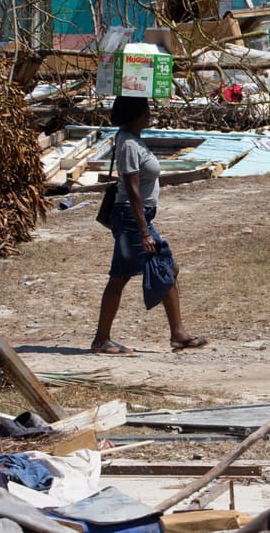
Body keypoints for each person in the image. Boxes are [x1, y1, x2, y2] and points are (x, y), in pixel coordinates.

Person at [91, 95, 207, 355]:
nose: (149, 115)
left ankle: (178, 334)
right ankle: (101, 340)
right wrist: (144, 231)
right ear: (134, 115)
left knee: (168, 267)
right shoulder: (128, 144)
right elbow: (132, 191)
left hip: (139, 217)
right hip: (132, 218)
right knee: (121, 277)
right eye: (145, 111)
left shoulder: (134, 140)